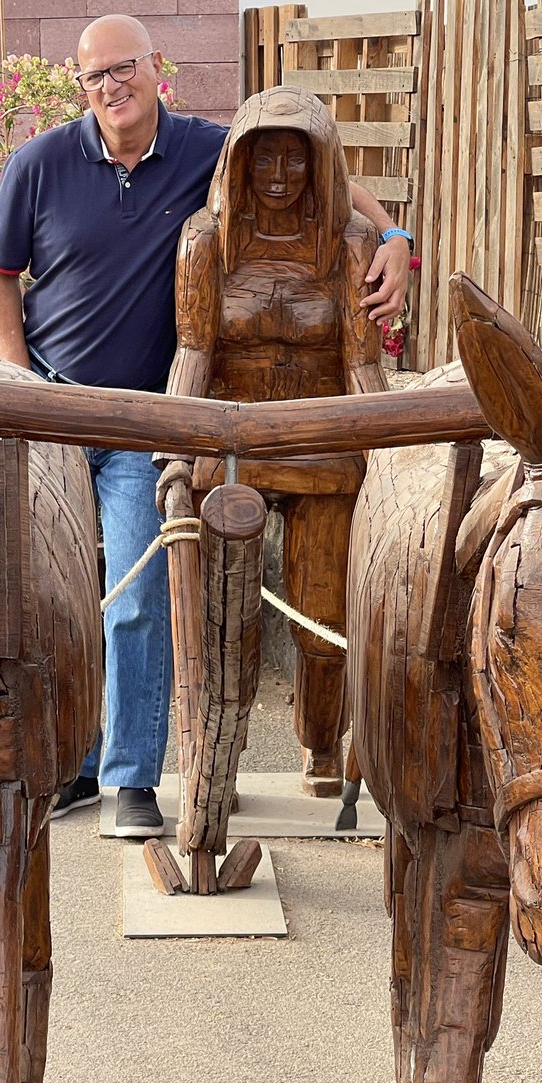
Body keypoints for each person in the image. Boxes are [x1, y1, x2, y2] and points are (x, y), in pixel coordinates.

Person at [0, 14, 412, 838]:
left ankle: (130, 783)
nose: (113, 86)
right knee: (48, 600)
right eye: (95, 75)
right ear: (81, 87)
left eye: (125, 68)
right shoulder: (39, 165)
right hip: (57, 408)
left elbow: (328, 179)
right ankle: (70, 767)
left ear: (155, 70)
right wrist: (20, 377)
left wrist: (393, 235)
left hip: (150, 417)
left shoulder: (206, 153)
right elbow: (1, 282)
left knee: (140, 595)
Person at [156, 84, 407, 800]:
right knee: (225, 618)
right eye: (262, 159)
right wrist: (177, 446)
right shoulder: (207, 243)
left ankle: (320, 745)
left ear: (319, 166)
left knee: (323, 614)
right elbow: (193, 352)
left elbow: (363, 363)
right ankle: (220, 760)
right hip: (230, 444)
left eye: (293, 161)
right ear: (238, 164)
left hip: (323, 445)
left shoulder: (350, 244)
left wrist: (388, 452)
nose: (276, 175)